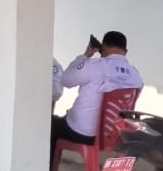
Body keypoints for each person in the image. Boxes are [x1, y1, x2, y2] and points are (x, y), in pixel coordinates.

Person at [54, 31, 144, 160]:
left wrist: (85, 55)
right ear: (126, 51)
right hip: (114, 136)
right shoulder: (136, 76)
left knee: (51, 125)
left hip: (84, 134)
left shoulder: (94, 66)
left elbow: (66, 80)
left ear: (103, 47)